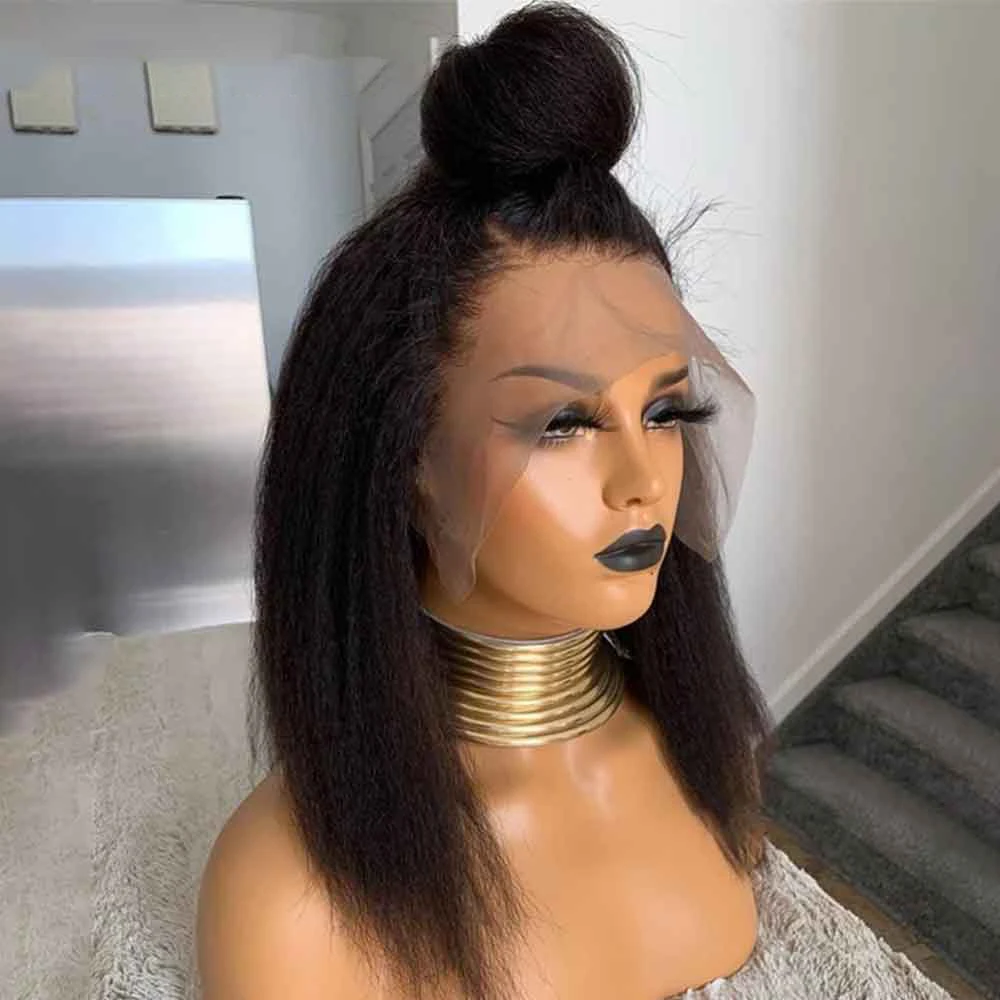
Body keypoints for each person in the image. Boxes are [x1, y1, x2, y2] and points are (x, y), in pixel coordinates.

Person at [196, 4, 776, 999]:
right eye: (563, 422)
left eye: (665, 410)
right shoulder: (288, 900)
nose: (643, 477)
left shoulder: (707, 765)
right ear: (407, 458)